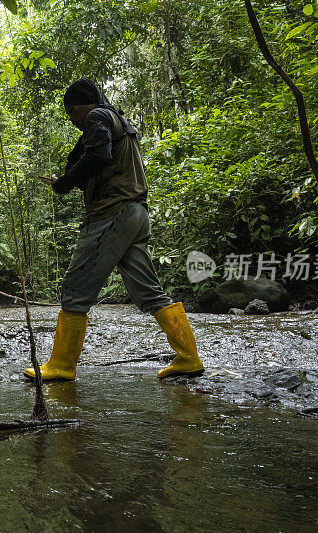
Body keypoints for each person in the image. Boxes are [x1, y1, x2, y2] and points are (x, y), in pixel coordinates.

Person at [24, 79, 204, 381]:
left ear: (82, 106)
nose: (72, 119)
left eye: (71, 112)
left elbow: (99, 154)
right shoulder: (119, 120)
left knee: (76, 288)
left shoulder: (97, 117)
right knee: (148, 290)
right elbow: (103, 161)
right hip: (136, 213)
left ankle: (61, 366)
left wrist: (65, 183)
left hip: (113, 214)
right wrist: (68, 179)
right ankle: (189, 358)